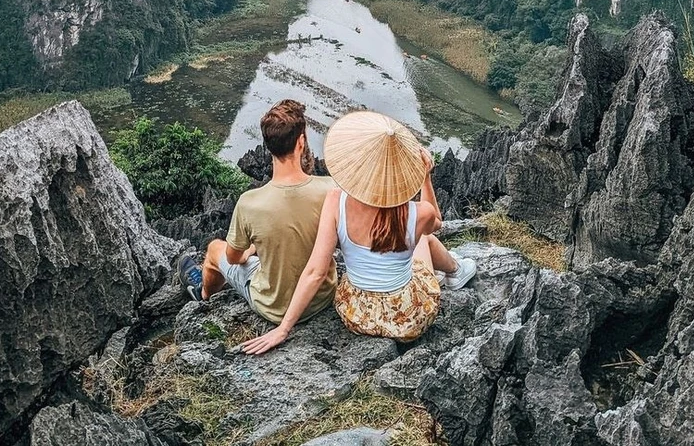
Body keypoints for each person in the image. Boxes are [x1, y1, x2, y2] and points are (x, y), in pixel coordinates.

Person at [241, 110, 475, 355]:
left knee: (420, 239)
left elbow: (316, 271)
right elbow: (436, 222)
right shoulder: (417, 213)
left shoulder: (335, 202)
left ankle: (454, 270)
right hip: (407, 317)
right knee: (425, 237)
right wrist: (425, 178)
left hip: (357, 313)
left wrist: (283, 328)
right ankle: (455, 271)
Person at [178, 99, 337, 325]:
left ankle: (203, 295)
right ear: (301, 142)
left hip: (274, 307)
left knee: (214, 249)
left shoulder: (249, 203)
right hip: (321, 299)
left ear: (268, 146)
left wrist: (250, 251)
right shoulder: (331, 189)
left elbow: (234, 258)